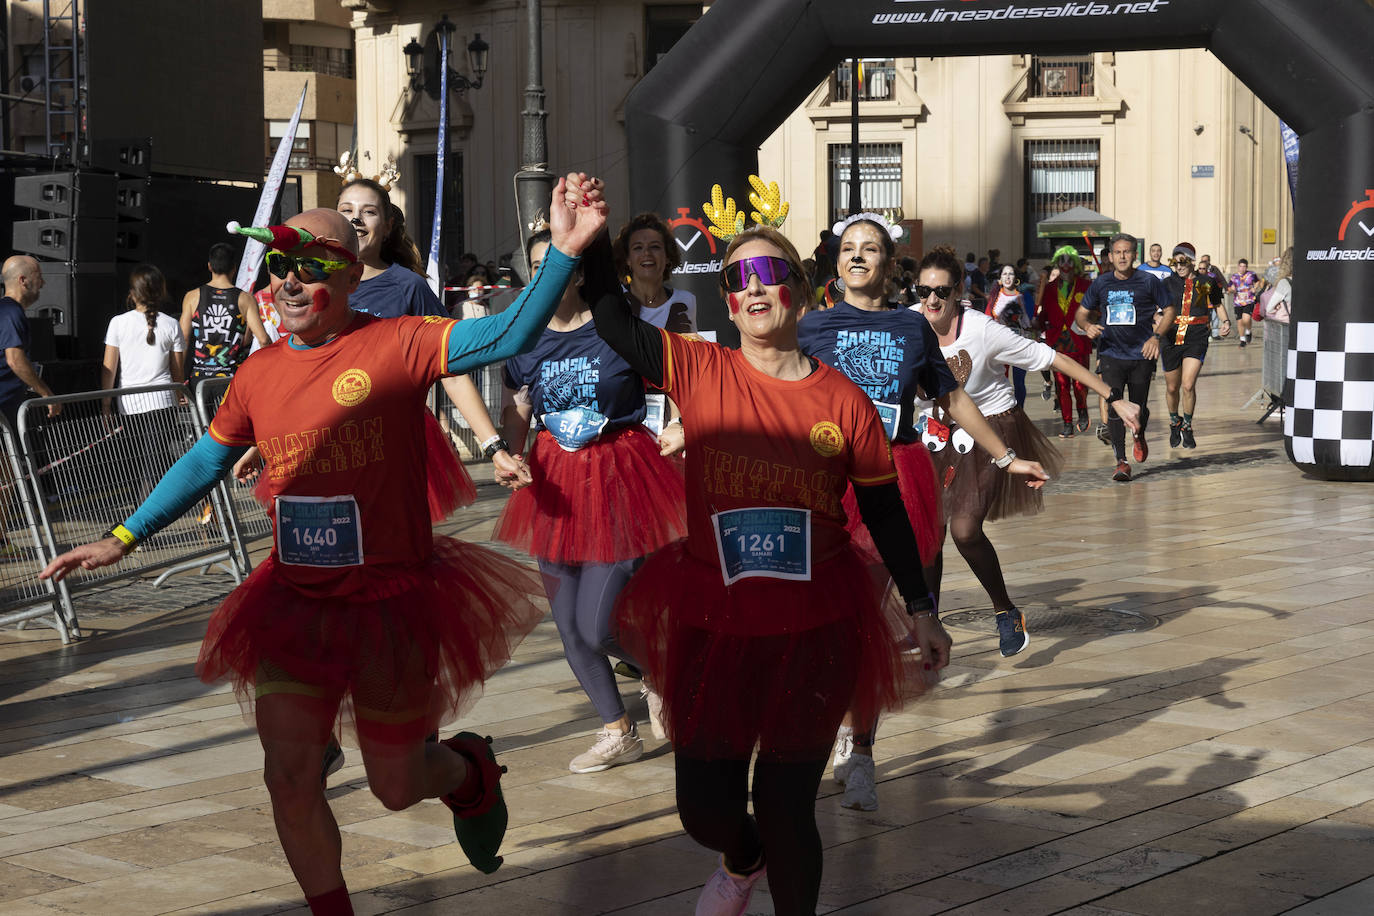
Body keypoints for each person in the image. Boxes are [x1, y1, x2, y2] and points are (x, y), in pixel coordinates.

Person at [41, 181, 607, 916]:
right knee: (289, 774)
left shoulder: (397, 342)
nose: (288, 281)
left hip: (390, 603)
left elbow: (503, 337)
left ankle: (468, 772)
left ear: (348, 271)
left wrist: (561, 254)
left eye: (308, 265)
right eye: (277, 266)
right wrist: (122, 537)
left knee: (396, 787)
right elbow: (207, 461)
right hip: (295, 602)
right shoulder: (258, 372)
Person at [586, 208, 954, 916]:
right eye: (737, 278)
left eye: (769, 273)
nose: (753, 288)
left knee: (789, 811)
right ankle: (740, 854)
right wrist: (588, 237)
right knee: (705, 811)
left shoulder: (842, 400)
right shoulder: (696, 366)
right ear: (726, 299)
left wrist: (921, 608)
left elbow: (883, 513)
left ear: (800, 289)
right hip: (712, 625)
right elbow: (611, 318)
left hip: (814, 628)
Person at [797, 215, 1048, 813]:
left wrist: (1007, 456)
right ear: (836, 263)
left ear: (889, 263)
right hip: (823, 484)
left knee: (865, 621)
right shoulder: (810, 327)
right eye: (848, 250)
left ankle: (861, 750)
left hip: (890, 478)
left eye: (871, 249)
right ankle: (833, 730)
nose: (858, 258)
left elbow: (953, 397)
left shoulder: (911, 326)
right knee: (824, 622)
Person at [493, 228, 686, 774]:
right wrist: (509, 452)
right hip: (552, 483)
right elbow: (519, 407)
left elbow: (679, 377)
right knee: (569, 625)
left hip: (618, 474)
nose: (544, 275)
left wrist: (679, 428)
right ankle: (616, 729)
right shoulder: (522, 338)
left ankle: (660, 669)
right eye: (535, 266)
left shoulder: (615, 328)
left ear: (579, 272)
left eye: (556, 264)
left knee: (599, 624)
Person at [914, 245, 1137, 657]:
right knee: (928, 535)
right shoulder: (910, 323)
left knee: (964, 530)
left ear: (958, 291)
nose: (931, 300)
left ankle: (1004, 611)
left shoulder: (983, 330)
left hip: (990, 429)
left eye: (941, 292)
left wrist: (1113, 396)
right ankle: (928, 621)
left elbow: (1054, 359)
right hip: (934, 433)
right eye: (923, 290)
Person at [1077, 233, 1178, 482]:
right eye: (1118, 252)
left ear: (1134, 255)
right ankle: (1121, 462)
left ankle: (1139, 432)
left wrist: (1156, 337)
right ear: (1110, 256)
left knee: (1139, 407)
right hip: (1111, 353)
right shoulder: (1101, 283)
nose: (1122, 256)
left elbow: (1169, 311)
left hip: (1141, 354)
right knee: (1115, 406)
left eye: (1127, 252)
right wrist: (1087, 326)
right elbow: (1081, 314)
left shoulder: (1149, 281)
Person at [101, 265, 188, 500]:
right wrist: (181, 395)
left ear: (132, 293)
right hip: (163, 402)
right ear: (161, 292)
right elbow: (178, 372)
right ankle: (145, 518)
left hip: (129, 404)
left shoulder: (118, 323)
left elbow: (109, 369)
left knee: (144, 465)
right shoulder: (171, 324)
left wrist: (106, 403)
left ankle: (140, 521)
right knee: (153, 463)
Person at [1161, 242, 1230, 448]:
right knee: (1172, 387)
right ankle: (1174, 421)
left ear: (1191, 262)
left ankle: (1187, 426)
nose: (1179, 267)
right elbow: (1157, 307)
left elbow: (1218, 305)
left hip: (1196, 337)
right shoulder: (1167, 283)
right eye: (1175, 263)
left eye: (1183, 262)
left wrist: (1226, 322)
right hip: (1171, 337)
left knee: (1188, 384)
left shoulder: (1206, 282)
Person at [180, 242, 272, 383]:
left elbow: (183, 339)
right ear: (234, 268)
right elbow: (264, 340)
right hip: (232, 379)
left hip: (199, 379)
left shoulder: (192, 296)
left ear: (209, 266)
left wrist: (179, 379)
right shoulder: (246, 299)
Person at [1034, 246, 1093, 437]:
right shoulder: (1049, 288)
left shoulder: (1086, 285)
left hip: (1079, 340)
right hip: (1058, 341)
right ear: (1057, 264)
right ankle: (1067, 423)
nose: (1065, 265)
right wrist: (1037, 323)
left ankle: (1082, 410)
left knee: (1080, 384)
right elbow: (1043, 315)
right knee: (1061, 384)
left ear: (1074, 264)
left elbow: (1095, 310)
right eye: (1062, 261)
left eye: (1069, 261)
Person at [0, 256, 59, 430]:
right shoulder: (11, 312)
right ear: (22, 280)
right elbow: (15, 360)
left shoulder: (7, 311)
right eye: (38, 276)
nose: (43, 283)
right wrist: (46, 394)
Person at [612, 212, 697, 333]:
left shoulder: (686, 300)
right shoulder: (614, 299)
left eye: (655, 247)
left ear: (668, 256)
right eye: (638, 248)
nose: (646, 253)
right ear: (627, 259)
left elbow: (695, 350)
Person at [986, 263, 1037, 408]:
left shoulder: (1023, 297)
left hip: (1019, 345)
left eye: (1011, 274)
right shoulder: (994, 297)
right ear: (1000, 278)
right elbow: (987, 319)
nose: (1008, 277)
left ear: (1016, 278)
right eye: (1005, 274)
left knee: (1019, 382)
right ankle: (1004, 409)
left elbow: (1028, 321)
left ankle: (1019, 411)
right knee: (1001, 381)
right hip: (999, 346)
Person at [1228, 257, 1261, 348]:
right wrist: (1232, 289)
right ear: (1238, 267)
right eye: (1241, 266)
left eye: (1244, 267)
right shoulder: (1234, 277)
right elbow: (1229, 288)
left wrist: (1255, 287)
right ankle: (1242, 340)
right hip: (1238, 302)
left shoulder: (1251, 274)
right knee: (1240, 322)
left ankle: (1248, 331)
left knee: (1246, 319)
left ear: (1246, 267)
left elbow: (1258, 281)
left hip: (1249, 300)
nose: (1242, 268)